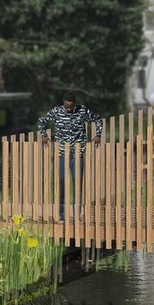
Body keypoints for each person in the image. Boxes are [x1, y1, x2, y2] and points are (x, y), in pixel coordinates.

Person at [37, 91, 102, 221]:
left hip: (78, 154)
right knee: (61, 185)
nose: (68, 108)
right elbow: (41, 121)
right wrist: (43, 135)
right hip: (62, 154)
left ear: (74, 103)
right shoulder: (57, 112)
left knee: (77, 185)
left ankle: (77, 215)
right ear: (63, 103)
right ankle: (61, 215)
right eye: (66, 106)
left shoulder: (82, 111)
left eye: (70, 106)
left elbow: (98, 119)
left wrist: (98, 134)